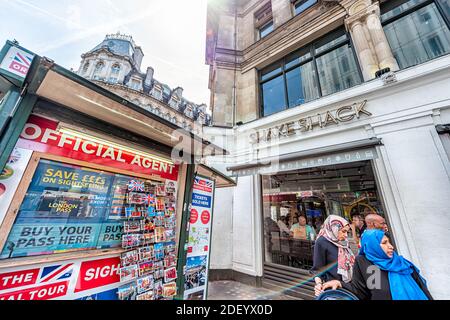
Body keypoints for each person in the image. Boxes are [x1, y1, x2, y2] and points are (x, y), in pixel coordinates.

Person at [315, 230, 433, 300]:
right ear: (373, 246)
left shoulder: (401, 264)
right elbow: (364, 291)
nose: (391, 246)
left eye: (389, 242)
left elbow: (423, 289)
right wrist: (339, 283)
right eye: (384, 243)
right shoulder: (368, 264)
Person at [311, 215, 355, 286]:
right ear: (334, 228)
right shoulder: (322, 242)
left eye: (347, 232)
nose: (346, 235)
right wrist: (319, 284)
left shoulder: (344, 242)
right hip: (332, 286)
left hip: (348, 285)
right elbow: (317, 269)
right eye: (343, 231)